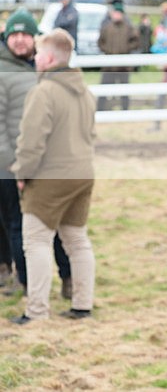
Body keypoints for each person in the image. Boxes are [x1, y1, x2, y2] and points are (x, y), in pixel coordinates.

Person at [10, 29, 96, 324]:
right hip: (83, 173)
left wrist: (22, 172)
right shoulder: (84, 90)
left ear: (47, 58)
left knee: (35, 241)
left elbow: (31, 141)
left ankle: (36, 312)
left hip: (50, 177)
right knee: (76, 239)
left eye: (37, 54)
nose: (34, 59)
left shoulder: (43, 91)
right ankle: (82, 305)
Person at [0, 10, 72, 298]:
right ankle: (26, 282)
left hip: (49, 162)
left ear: (34, 37)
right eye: (13, 35)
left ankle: (68, 278)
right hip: (12, 164)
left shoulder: (44, 66)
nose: (19, 40)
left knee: (58, 224)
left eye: (25, 34)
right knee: (17, 224)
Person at [97, 0, 139, 111]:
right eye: (115, 13)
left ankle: (125, 109)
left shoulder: (129, 28)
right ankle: (100, 109)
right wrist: (107, 50)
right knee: (104, 88)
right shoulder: (107, 28)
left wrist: (126, 49)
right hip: (109, 65)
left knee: (124, 89)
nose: (116, 15)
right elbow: (100, 42)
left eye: (118, 13)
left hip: (123, 65)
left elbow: (136, 41)